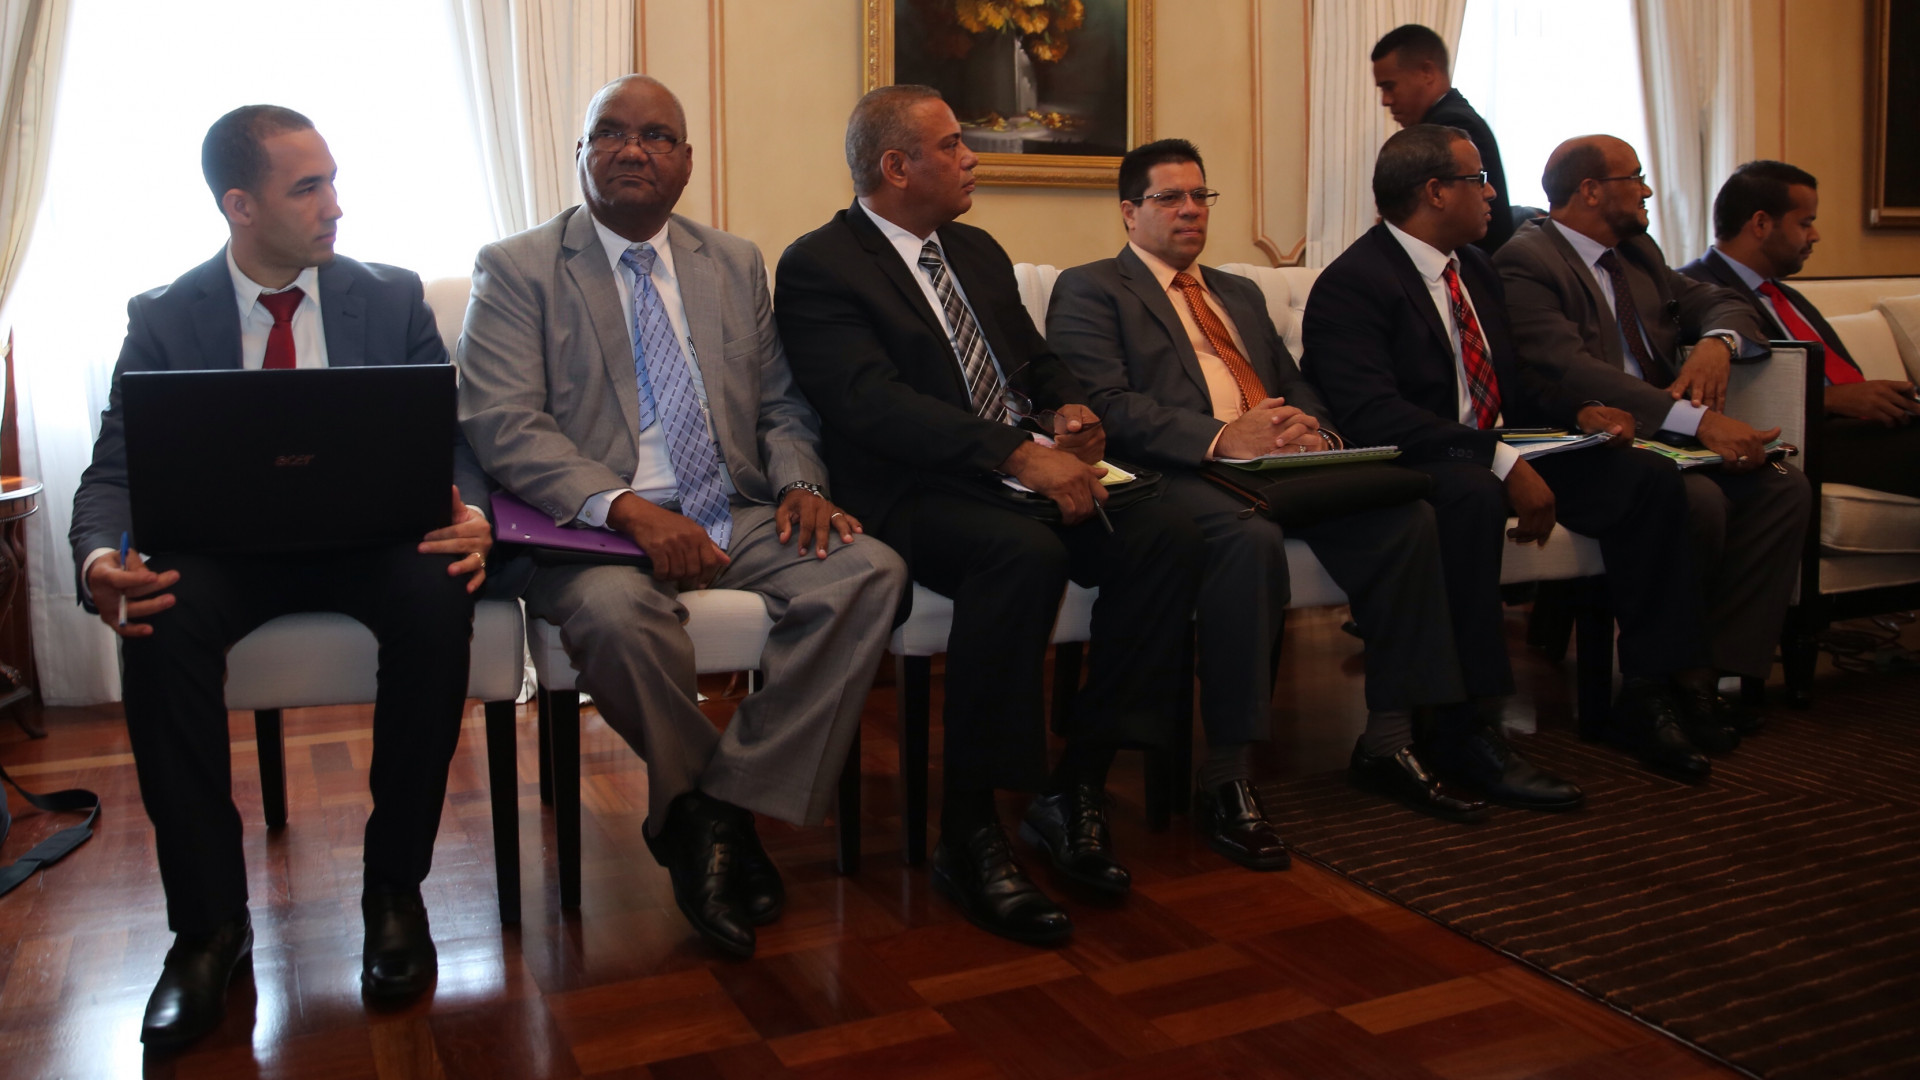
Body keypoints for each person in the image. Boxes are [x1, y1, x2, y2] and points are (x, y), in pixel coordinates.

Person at [69, 105, 493, 1050]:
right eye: (309, 187)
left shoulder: (391, 298)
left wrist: (472, 512)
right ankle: (208, 929)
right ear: (240, 205)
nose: (336, 205)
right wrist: (99, 558)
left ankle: (395, 891)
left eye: (333, 181)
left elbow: (452, 443)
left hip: (371, 542)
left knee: (436, 596)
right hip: (225, 556)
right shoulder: (163, 315)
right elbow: (114, 469)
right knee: (159, 617)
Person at [457, 76, 905, 959]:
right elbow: (503, 423)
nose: (633, 149)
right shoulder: (516, 267)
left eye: (657, 135)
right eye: (611, 133)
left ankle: (718, 810)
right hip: (590, 529)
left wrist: (801, 483)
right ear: (581, 153)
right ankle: (711, 829)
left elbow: (781, 403)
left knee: (869, 573)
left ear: (687, 162)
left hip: (730, 506)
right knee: (621, 622)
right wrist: (626, 509)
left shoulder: (731, 261)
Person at [1049, 137, 1580, 846]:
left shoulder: (1238, 292)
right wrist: (1222, 437)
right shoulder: (1092, 288)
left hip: (1279, 465)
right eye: (1169, 198)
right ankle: (1227, 774)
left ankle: (1389, 741)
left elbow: (1295, 381)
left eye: (1200, 196)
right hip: (1179, 471)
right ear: (1128, 212)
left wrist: (1315, 432)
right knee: (1247, 542)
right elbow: (1107, 404)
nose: (1190, 210)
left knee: (1406, 519)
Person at [775, 86, 1202, 944]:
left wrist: (1069, 411)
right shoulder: (820, 264)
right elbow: (869, 403)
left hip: (1014, 471)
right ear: (897, 167)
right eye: (952, 145)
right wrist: (1014, 454)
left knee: (1168, 534)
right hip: (910, 488)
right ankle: (969, 829)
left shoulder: (973, 249)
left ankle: (1075, 784)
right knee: (1021, 556)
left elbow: (1033, 363)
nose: (972, 157)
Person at [1304, 125, 1722, 782]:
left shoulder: (1474, 267)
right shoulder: (1353, 283)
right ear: (1435, 192)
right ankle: (1468, 725)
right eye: (1478, 180)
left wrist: (1577, 412)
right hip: (1420, 456)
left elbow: (1512, 379)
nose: (1493, 193)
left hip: (1501, 444)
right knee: (1471, 495)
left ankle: (1647, 690)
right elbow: (1373, 415)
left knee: (1648, 477)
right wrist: (1500, 462)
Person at [1494, 135, 1812, 738]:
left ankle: (1710, 675)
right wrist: (1701, 422)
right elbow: (1571, 370)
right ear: (1590, 190)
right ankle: (1669, 679)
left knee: (1782, 488)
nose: (1646, 190)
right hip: (1587, 439)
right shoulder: (1527, 261)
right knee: (1699, 500)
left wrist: (1717, 343)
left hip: (1666, 437)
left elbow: (1724, 301)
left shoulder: (1637, 251)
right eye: (1634, 177)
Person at [1680, 160, 1920, 498]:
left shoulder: (1786, 296)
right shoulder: (1693, 292)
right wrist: (1830, 399)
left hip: (1858, 431)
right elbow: (1708, 397)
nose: (1815, 235)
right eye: (1806, 223)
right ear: (1761, 223)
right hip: (1803, 439)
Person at [1372, 24, 1515, 252]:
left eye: (1390, 87)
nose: (1385, 101)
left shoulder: (1450, 128)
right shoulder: (1453, 117)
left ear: (1427, 72)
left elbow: (1443, 223)